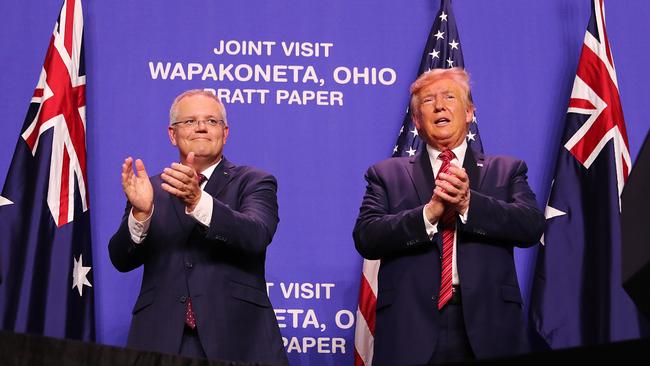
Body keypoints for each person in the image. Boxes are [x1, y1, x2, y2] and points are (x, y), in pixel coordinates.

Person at [353, 68, 545, 365]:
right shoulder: (386, 174)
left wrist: (469, 205)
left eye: (449, 97)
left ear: (469, 112)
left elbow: (530, 226)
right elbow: (367, 236)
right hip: (410, 327)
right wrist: (428, 214)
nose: (439, 106)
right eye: (428, 100)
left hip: (489, 327)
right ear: (417, 120)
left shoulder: (506, 170)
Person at [109, 89, 288, 365]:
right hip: (160, 340)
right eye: (190, 121)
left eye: (212, 121)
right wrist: (140, 213)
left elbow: (256, 234)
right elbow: (121, 259)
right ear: (172, 134)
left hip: (238, 338)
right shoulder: (150, 189)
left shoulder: (254, 181)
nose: (202, 127)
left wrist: (199, 200)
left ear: (225, 133)